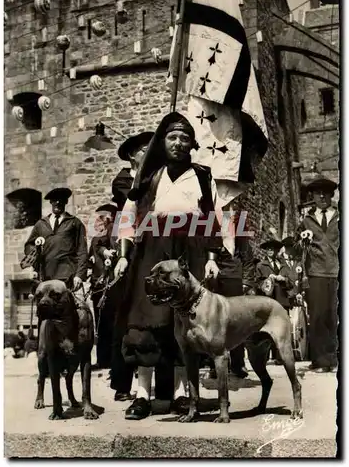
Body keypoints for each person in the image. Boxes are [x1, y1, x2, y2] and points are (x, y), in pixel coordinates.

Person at [114, 111, 232, 420]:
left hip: (189, 253)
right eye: (172, 137)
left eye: (184, 138)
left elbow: (213, 218)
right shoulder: (150, 175)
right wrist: (125, 255)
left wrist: (210, 258)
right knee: (146, 322)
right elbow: (129, 215)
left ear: (193, 144)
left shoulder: (203, 177)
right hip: (152, 251)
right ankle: (142, 396)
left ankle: (182, 395)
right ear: (162, 142)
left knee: (186, 323)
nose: (178, 143)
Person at [109, 132, 154, 401]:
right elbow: (138, 202)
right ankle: (122, 383)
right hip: (129, 248)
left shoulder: (154, 176)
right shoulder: (124, 180)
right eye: (144, 150)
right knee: (125, 316)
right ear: (132, 155)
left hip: (152, 246)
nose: (149, 153)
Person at [296, 176, 339, 373]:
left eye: (325, 192)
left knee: (334, 316)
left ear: (331, 195)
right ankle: (322, 360)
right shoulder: (306, 221)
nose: (322, 196)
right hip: (316, 272)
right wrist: (302, 242)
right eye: (317, 193)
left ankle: (334, 359)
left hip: (338, 272)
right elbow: (295, 248)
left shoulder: (340, 216)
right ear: (312, 196)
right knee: (319, 315)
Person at [208, 209, 256, 379]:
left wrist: (246, 281)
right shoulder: (208, 217)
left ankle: (238, 363)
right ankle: (216, 365)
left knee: (235, 321)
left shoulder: (238, 219)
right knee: (213, 322)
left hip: (233, 276)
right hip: (213, 276)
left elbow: (246, 253)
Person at [24, 187, 88, 291]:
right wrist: (35, 252)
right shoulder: (41, 224)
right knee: (45, 305)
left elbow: (82, 251)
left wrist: (79, 275)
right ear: (51, 202)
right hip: (45, 276)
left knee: (70, 305)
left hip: (67, 276)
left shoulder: (75, 223)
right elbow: (28, 246)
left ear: (66, 202)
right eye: (54, 201)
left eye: (61, 201)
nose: (57, 203)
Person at [88, 203, 118, 370]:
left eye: (103, 217)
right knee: (101, 324)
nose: (100, 221)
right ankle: (103, 360)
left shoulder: (115, 232)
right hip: (98, 286)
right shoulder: (95, 240)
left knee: (113, 323)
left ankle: (114, 361)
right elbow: (89, 257)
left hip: (113, 285)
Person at [256, 239, 289, 364]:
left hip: (282, 300)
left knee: (282, 327)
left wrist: (283, 279)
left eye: (273, 249)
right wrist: (266, 282)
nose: (270, 251)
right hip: (268, 300)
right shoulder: (261, 265)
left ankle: (280, 356)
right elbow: (257, 283)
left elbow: (290, 282)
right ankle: (263, 357)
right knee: (267, 327)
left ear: (276, 251)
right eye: (268, 249)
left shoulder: (283, 265)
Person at [112, 131, 154, 211]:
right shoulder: (121, 182)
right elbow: (135, 201)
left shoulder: (156, 175)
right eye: (145, 151)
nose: (151, 155)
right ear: (131, 155)